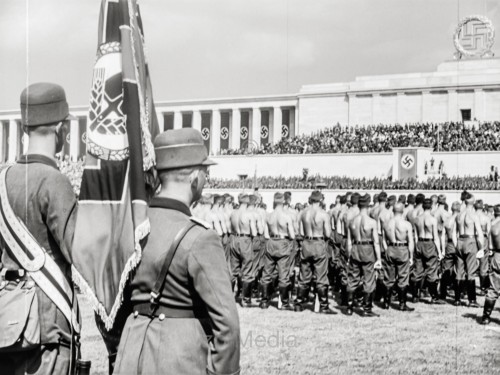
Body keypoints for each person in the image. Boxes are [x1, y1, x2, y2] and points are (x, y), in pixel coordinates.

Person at [113, 128, 240, 375]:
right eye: (205, 171)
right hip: (178, 358)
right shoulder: (201, 238)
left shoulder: (131, 226)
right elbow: (228, 327)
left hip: (130, 352)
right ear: (194, 177)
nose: (206, 178)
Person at [0, 83, 80, 374]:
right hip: (46, 324)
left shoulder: (2, 178)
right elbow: (78, 252)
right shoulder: (54, 181)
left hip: (7, 321)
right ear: (62, 129)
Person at [294, 191, 334, 313]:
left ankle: (299, 303)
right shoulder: (323, 214)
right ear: (321, 200)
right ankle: (323, 305)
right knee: (321, 275)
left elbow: (300, 231)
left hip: (306, 242)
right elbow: (327, 233)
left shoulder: (303, 213)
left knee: (304, 275)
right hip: (318, 242)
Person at [346, 194, 382, 317]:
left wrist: (349, 255)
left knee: (353, 279)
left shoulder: (352, 221)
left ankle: (349, 307)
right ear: (368, 205)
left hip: (355, 248)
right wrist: (378, 259)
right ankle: (366, 309)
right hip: (367, 248)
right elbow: (376, 242)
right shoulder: (372, 222)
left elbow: (349, 242)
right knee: (368, 279)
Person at [260, 192, 295, 310]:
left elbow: (265, 234)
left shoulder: (269, 216)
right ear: (284, 201)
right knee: (283, 274)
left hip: (271, 242)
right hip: (283, 242)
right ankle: (284, 303)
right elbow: (292, 235)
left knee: (267, 273)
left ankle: (264, 301)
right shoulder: (287, 216)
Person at [381, 203, 415, 311]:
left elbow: (383, 240)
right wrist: (411, 256)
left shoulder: (386, 224)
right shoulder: (406, 224)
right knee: (403, 277)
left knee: (389, 277)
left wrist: (387, 250)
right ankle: (402, 304)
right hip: (402, 248)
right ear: (402, 211)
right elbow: (410, 242)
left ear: (393, 211)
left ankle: (386, 303)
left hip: (391, 248)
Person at [454, 192, 484, 307]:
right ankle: (472, 300)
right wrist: (481, 248)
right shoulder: (474, 215)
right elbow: (480, 234)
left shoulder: (459, 215)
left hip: (460, 241)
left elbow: (454, 233)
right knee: (471, 272)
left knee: (459, 272)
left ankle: (457, 299)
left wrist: (457, 245)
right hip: (470, 240)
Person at [413, 198, 444, 304]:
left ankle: (415, 295)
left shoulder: (417, 219)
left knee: (418, 270)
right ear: (431, 207)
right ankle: (434, 296)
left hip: (419, 243)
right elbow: (436, 237)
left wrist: (417, 246)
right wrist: (439, 252)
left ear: (422, 206)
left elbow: (416, 235)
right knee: (431, 271)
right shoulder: (432, 219)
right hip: (429, 243)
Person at [481, 205, 500, 324]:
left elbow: (491, 247)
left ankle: (486, 317)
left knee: (493, 288)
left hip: (497, 256)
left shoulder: (493, 226)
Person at [440, 202, 461, 300]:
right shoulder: (461, 219)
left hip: (449, 245)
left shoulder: (447, 220)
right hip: (459, 244)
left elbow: (442, 236)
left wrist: (443, 249)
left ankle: (443, 294)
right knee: (459, 270)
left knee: (446, 270)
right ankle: (457, 297)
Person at [475, 200, 492, 295]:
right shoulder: (486, 218)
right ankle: (483, 288)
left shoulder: (472, 216)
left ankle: (464, 289)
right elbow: (489, 232)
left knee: (470, 263)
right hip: (484, 239)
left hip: (473, 238)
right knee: (483, 264)